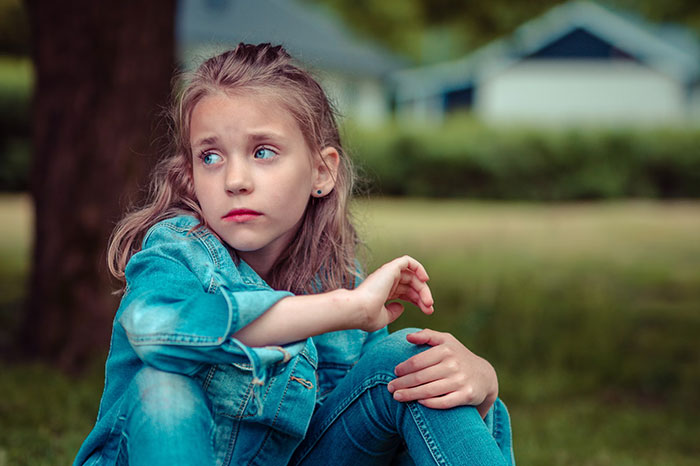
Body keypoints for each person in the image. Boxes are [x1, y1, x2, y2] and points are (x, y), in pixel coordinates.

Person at [73, 43, 515, 466]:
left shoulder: (339, 279)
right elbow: (156, 334)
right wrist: (344, 309)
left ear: (321, 171)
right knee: (163, 387)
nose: (235, 179)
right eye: (210, 156)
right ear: (189, 177)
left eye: (263, 152)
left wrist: (484, 387)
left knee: (417, 369)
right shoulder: (174, 254)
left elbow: (390, 433)